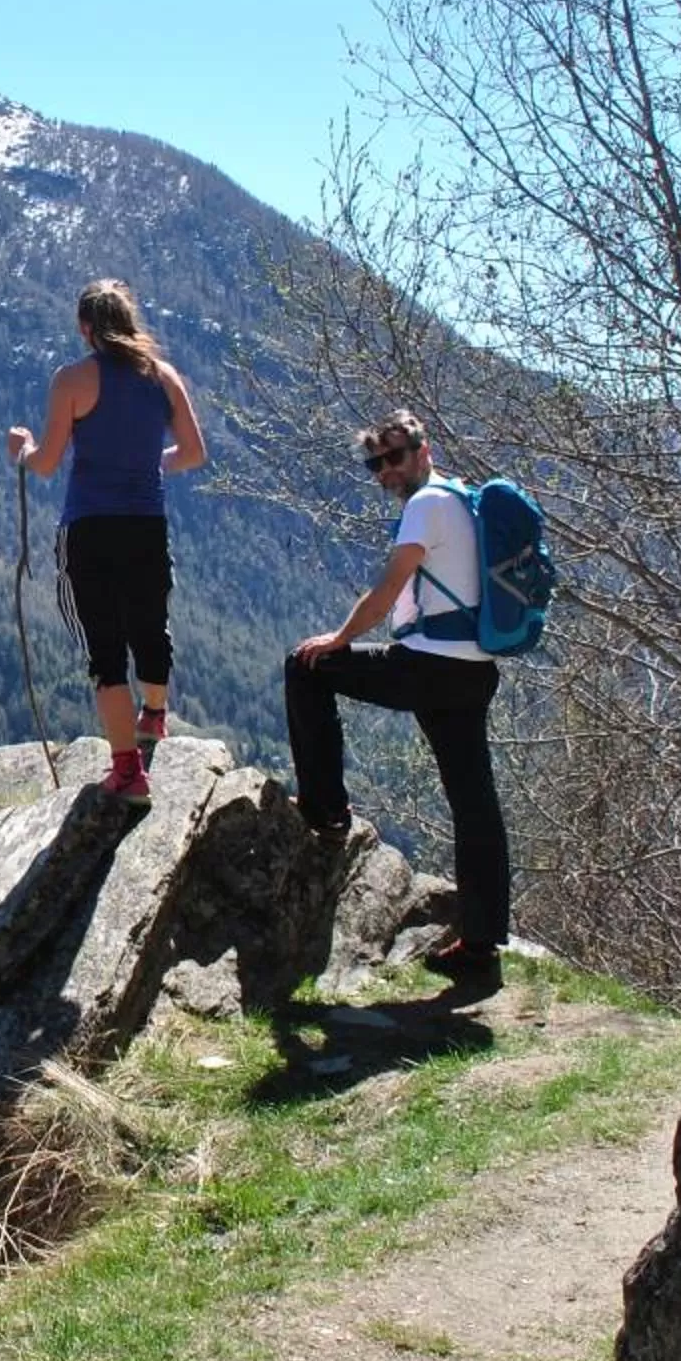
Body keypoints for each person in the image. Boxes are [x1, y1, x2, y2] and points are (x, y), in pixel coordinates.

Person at [286, 409, 510, 988]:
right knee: (475, 805)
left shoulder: (425, 505)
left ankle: (326, 811)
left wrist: (339, 639)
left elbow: (388, 590)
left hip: (428, 667)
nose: (387, 469)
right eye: (377, 462)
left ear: (422, 449)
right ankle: (481, 947)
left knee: (306, 668)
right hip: (472, 669)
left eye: (396, 455)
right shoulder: (461, 498)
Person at [6, 279, 208, 802]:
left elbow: (47, 464)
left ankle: (127, 773)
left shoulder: (72, 379)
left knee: (105, 648)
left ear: (85, 327)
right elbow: (192, 453)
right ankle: (155, 715)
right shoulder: (162, 378)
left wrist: (23, 449)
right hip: (146, 522)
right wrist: (148, 463)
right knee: (149, 622)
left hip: (90, 527)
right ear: (130, 322)